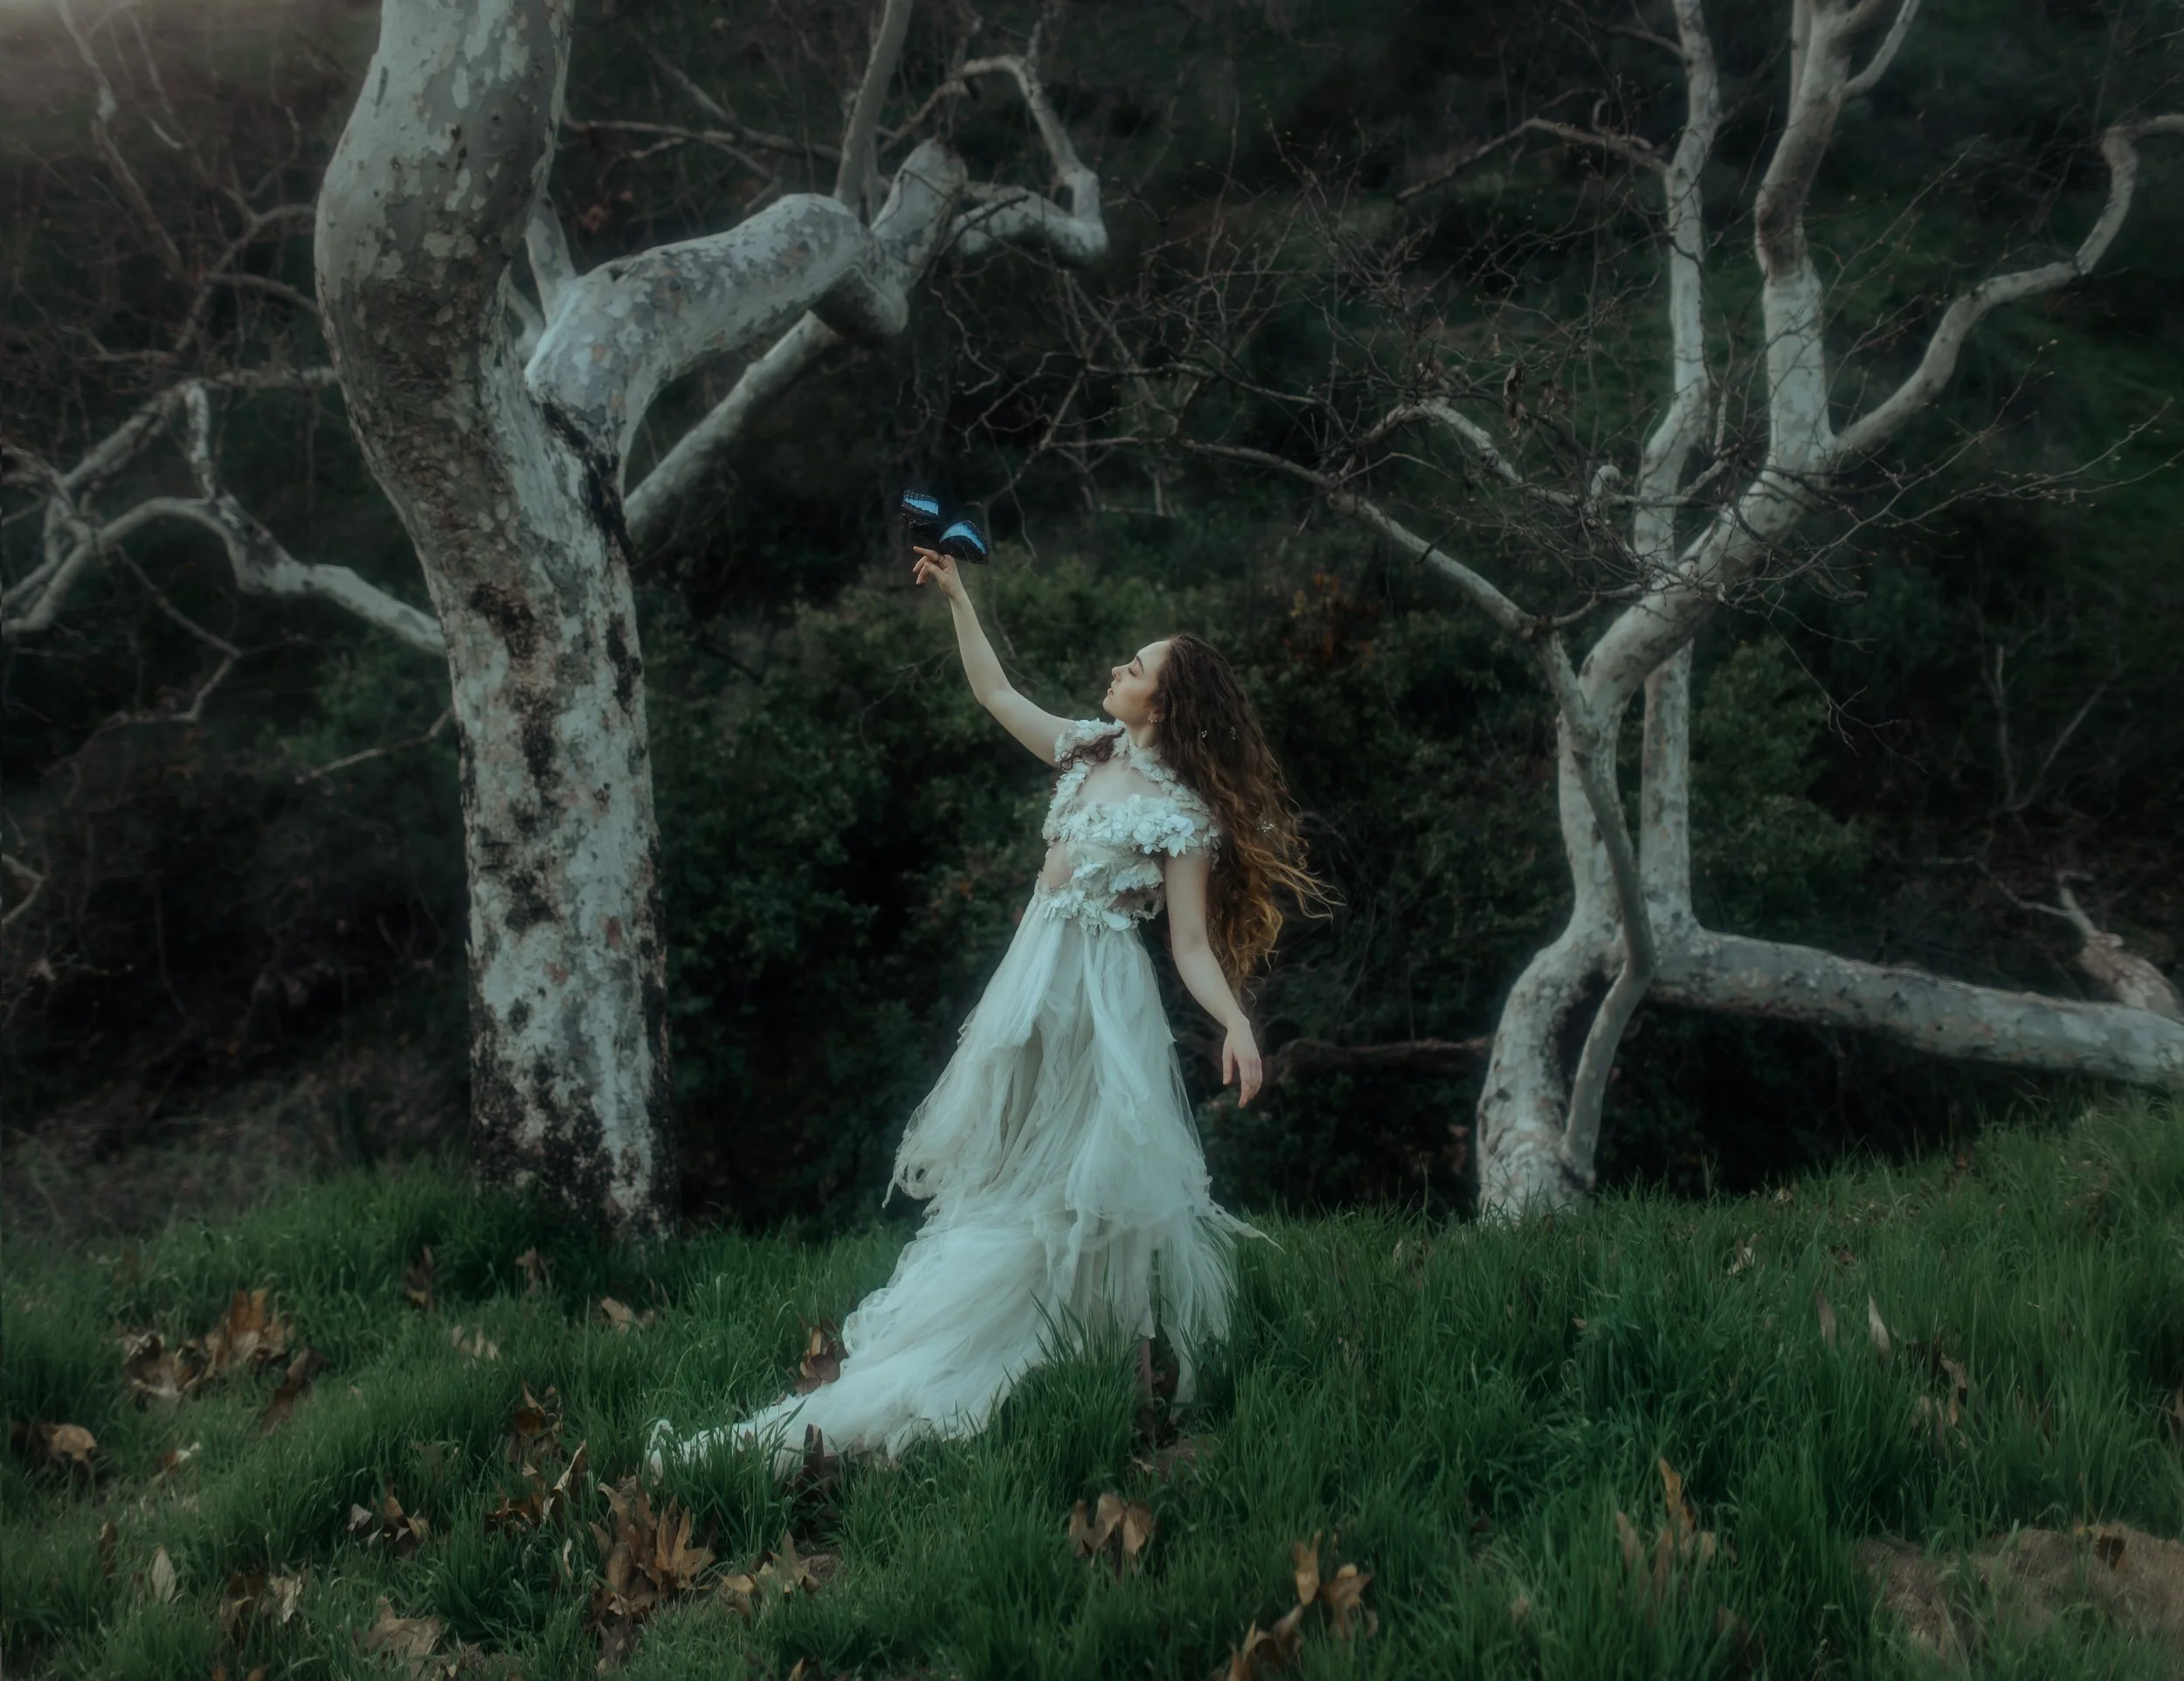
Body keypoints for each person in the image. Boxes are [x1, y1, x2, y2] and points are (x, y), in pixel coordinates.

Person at [650, 539, 1330, 1479]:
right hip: (1029, 986)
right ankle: (1035, 1345)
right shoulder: (1087, 747)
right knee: (1010, 1167)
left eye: (1133, 668)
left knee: (1100, 1181)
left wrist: (1237, 1023)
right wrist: (961, 600)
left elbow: (1186, 946)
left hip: (1101, 999)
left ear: (1163, 705)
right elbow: (998, 697)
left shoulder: (1183, 815)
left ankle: (1124, 1382)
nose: (1114, 670)